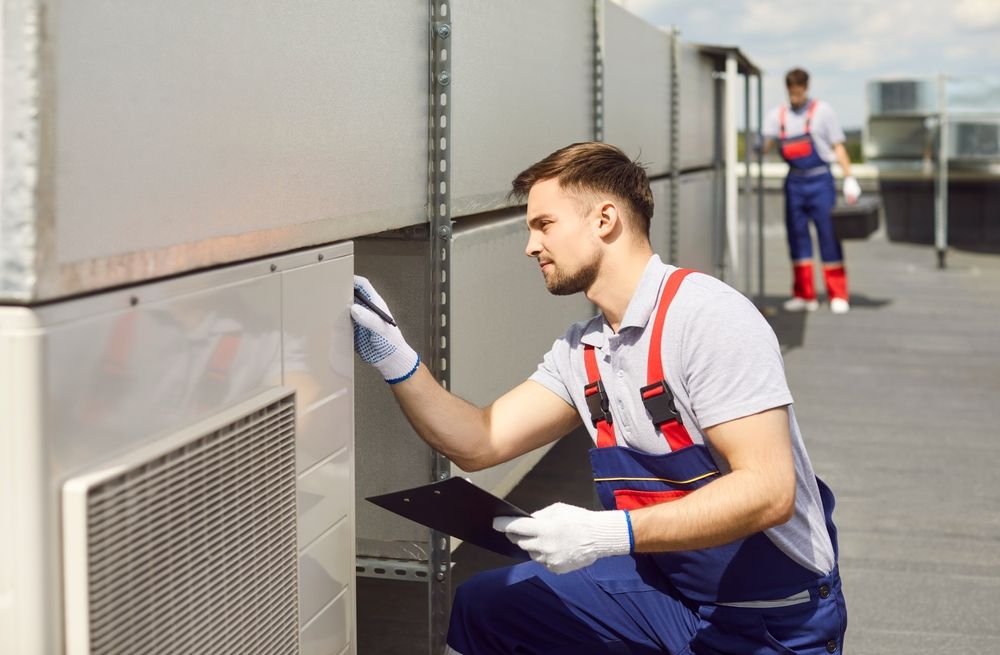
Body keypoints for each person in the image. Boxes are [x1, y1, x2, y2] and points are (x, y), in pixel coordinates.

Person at [351, 142, 847, 654]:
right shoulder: (583, 351)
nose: (529, 246)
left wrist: (607, 533)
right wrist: (397, 361)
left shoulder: (707, 319)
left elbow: (768, 491)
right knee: (490, 606)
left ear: (604, 219)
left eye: (543, 224)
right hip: (668, 594)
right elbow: (479, 440)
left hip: (772, 616)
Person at [763, 68, 860, 314]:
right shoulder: (778, 116)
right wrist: (761, 142)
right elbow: (764, 144)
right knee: (797, 238)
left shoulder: (823, 112)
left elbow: (838, 146)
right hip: (795, 183)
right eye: (791, 93)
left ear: (806, 88)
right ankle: (805, 295)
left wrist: (849, 177)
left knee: (829, 236)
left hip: (821, 182)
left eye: (799, 92)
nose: (795, 97)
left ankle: (838, 293)